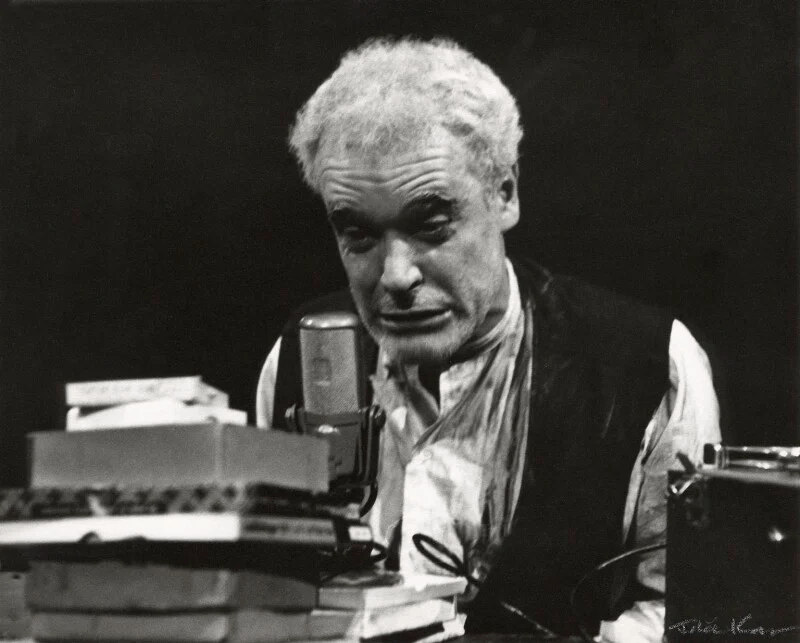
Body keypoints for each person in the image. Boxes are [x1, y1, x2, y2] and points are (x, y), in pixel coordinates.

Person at [256, 37, 720, 642]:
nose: (395, 276)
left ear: (505, 194)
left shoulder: (649, 365)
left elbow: (684, 613)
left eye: (431, 225)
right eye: (358, 235)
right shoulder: (300, 359)